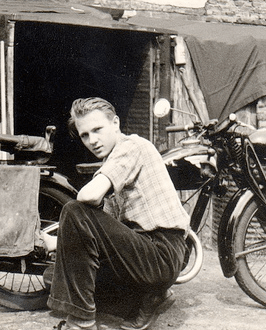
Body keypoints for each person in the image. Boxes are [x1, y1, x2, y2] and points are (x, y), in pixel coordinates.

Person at [45, 97, 191, 330]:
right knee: (54, 276)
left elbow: (88, 197)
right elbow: (102, 234)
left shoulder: (131, 146)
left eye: (97, 130)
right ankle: (149, 297)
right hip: (146, 254)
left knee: (74, 209)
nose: (92, 140)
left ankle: (82, 323)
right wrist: (61, 242)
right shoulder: (113, 159)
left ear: (115, 123)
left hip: (160, 251)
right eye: (84, 135)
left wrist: (67, 230)